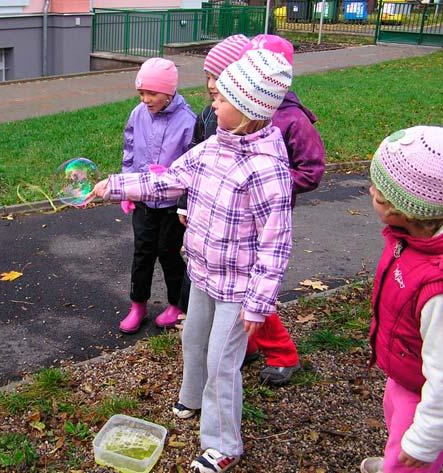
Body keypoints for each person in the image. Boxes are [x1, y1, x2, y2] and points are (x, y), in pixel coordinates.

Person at [91, 48, 294, 473]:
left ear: (246, 109)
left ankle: (224, 445)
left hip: (238, 289)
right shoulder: (213, 148)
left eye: (219, 98)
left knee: (223, 360)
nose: (211, 103)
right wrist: (114, 185)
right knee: (193, 339)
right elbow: (167, 179)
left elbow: (276, 246)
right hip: (202, 273)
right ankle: (192, 395)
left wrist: (259, 304)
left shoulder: (267, 169)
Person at [177, 34, 326, 387]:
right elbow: (196, 162)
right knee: (234, 302)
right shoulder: (226, 113)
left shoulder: (291, 120)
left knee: (256, 296)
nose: (213, 92)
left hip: (261, 218)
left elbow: (311, 170)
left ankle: (284, 354)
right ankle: (244, 348)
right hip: (225, 217)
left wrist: (264, 184)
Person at [360, 126, 443, 473]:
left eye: (378, 194)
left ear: (406, 209)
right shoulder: (407, 237)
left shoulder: (437, 288)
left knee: (414, 455)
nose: (370, 192)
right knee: (396, 415)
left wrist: (423, 439)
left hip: (426, 389)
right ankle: (399, 451)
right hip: (406, 370)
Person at [117, 57, 196, 334]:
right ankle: (138, 305)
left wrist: (183, 198)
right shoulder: (138, 114)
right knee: (142, 252)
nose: (146, 99)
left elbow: (193, 164)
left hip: (172, 205)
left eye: (152, 93)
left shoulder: (187, 121)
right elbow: (129, 149)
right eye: (141, 93)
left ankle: (177, 303)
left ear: (169, 92)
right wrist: (128, 186)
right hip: (143, 200)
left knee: (169, 253)